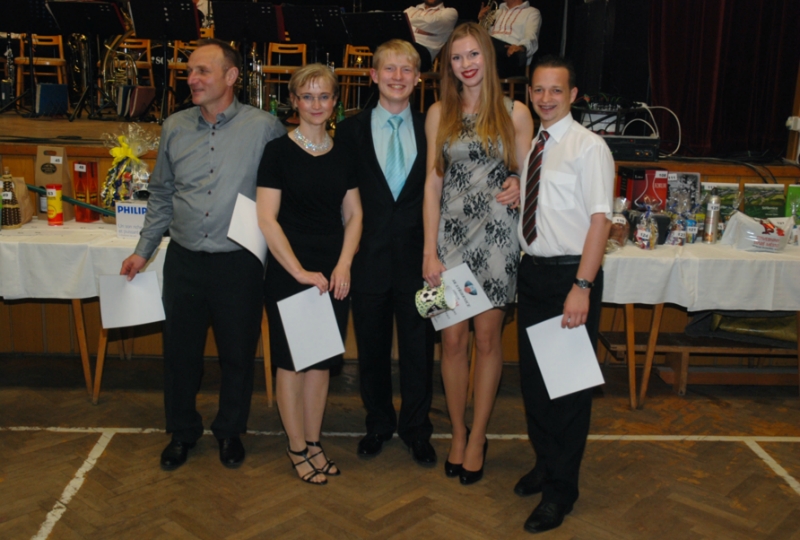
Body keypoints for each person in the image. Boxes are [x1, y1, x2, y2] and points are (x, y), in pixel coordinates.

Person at [120, 39, 284, 471]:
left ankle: (230, 431)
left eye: (202, 71)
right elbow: (161, 195)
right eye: (189, 72)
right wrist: (142, 251)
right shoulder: (174, 126)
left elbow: (282, 193)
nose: (191, 79)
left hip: (239, 263)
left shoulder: (265, 128)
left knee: (237, 355)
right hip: (185, 261)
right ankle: (182, 432)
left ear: (231, 76)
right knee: (180, 356)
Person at [422, 23, 533, 485]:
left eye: (473, 55)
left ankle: (479, 437)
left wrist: (518, 182)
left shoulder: (516, 112)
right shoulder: (438, 113)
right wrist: (428, 251)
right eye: (457, 57)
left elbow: (530, 174)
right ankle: (458, 431)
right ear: (448, 65)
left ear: (487, 57)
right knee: (452, 342)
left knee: (487, 342)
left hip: (497, 242)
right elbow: (432, 185)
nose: (466, 64)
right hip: (449, 243)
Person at [513, 56, 613, 534]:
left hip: (570, 279)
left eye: (556, 90)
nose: (546, 98)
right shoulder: (536, 144)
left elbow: (600, 221)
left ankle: (560, 493)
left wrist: (582, 287)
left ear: (573, 95)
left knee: (568, 393)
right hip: (532, 275)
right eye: (538, 90)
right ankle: (546, 464)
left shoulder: (588, 147)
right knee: (535, 386)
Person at [257, 64, 362, 485]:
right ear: (294, 102)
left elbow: (354, 215)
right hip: (291, 270)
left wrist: (344, 263)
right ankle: (296, 446)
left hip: (333, 274)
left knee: (320, 362)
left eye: (324, 96)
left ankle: (314, 442)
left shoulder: (345, 153)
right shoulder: (277, 153)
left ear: (335, 102)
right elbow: (267, 219)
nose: (316, 104)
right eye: (307, 96)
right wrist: (299, 271)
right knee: (292, 363)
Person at [337, 40, 437, 467]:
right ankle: (378, 423)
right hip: (368, 261)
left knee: (420, 350)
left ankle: (417, 430)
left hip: (423, 263)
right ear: (373, 75)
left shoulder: (433, 127)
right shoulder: (350, 131)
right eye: (389, 69)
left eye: (406, 70)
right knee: (372, 350)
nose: (398, 77)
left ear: (418, 79)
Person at [478, 0, 541, 79]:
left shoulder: (532, 12)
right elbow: (484, 36)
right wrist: (481, 21)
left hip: (511, 53)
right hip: (491, 50)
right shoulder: (496, 12)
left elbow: (531, 38)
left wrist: (521, 47)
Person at [405, 0, 459, 73]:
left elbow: (431, 23)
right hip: (403, 46)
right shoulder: (411, 10)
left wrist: (408, 23)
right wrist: (419, 29)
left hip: (423, 54)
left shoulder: (449, 13)